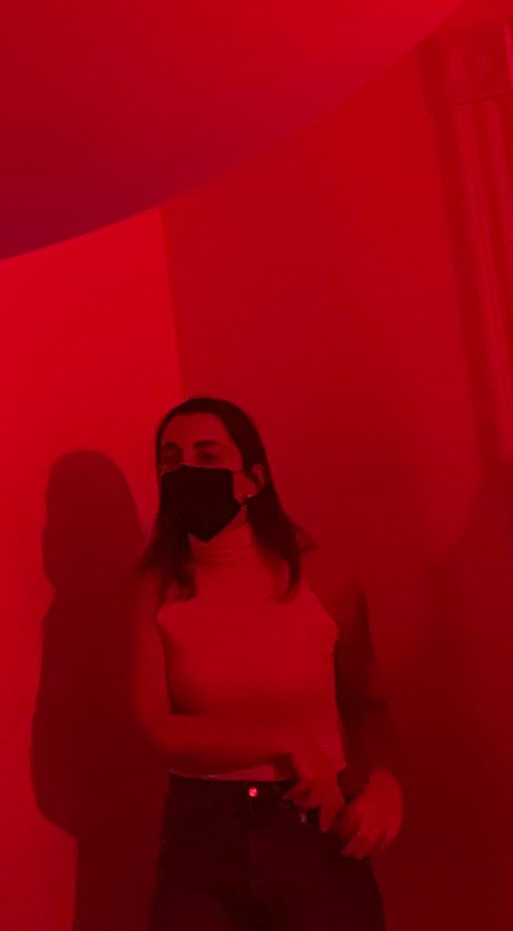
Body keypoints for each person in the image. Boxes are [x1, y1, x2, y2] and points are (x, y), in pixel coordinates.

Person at [135, 396, 403, 930]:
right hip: (201, 832)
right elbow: (156, 728)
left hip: (311, 823)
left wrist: (385, 782)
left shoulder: (322, 579)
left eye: (207, 456)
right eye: (171, 458)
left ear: (252, 479)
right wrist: (286, 742)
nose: (186, 470)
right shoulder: (154, 588)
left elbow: (366, 703)